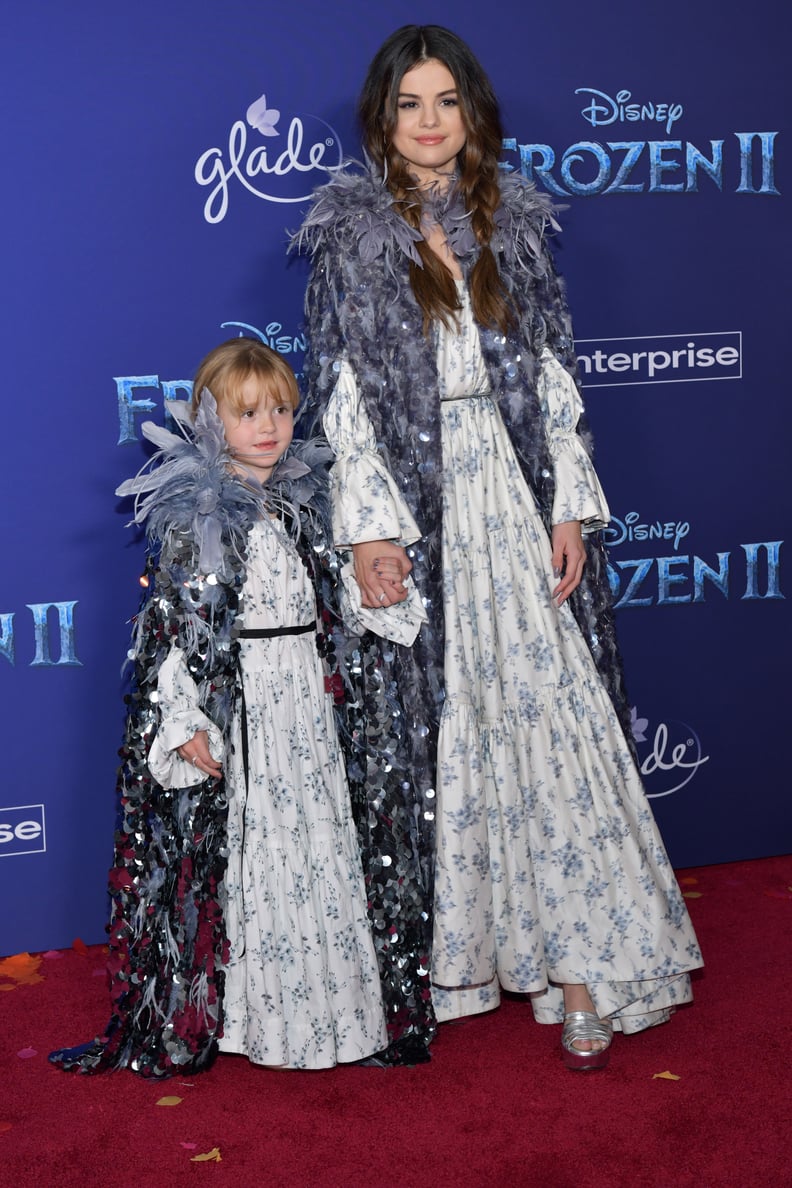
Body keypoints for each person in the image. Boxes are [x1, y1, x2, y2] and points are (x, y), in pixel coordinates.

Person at [295, 24, 702, 1070]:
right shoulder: (351, 239)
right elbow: (342, 394)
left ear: (473, 114)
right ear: (383, 122)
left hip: (515, 500)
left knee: (557, 726)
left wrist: (568, 507)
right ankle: (483, 956)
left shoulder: (513, 224)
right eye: (410, 106)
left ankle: (584, 966)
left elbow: (557, 379)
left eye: (447, 102)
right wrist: (370, 530)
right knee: (456, 734)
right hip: (425, 509)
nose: (431, 123)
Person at [49, 339, 386, 1077]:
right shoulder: (193, 516)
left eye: (282, 410)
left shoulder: (307, 503)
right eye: (247, 413)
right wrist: (186, 720)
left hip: (306, 705)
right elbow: (170, 635)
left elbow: (338, 608)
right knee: (258, 857)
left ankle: (336, 1013)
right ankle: (264, 1020)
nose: (268, 426)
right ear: (209, 421)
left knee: (318, 844)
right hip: (250, 709)